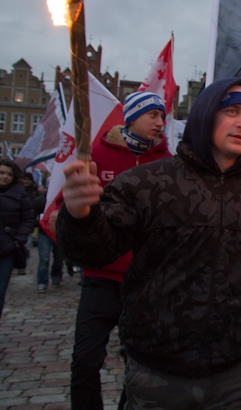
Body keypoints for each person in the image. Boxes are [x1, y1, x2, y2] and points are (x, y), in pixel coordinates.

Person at [57, 77, 241, 409]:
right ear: (205, 114)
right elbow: (94, 251)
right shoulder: (146, 184)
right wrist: (80, 215)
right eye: (231, 110)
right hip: (157, 376)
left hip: (239, 379)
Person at [62, 91, 172, 410]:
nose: (160, 122)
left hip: (144, 281)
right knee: (85, 359)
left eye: (162, 116)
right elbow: (68, 207)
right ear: (132, 116)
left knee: (139, 365)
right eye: (153, 115)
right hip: (100, 278)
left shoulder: (166, 163)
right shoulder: (94, 154)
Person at [0, 159, 35, 320]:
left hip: (7, 249)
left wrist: (19, 239)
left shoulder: (19, 194)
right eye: (2, 173)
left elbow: (28, 219)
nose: (5, 177)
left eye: (9, 174)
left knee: (0, 291)